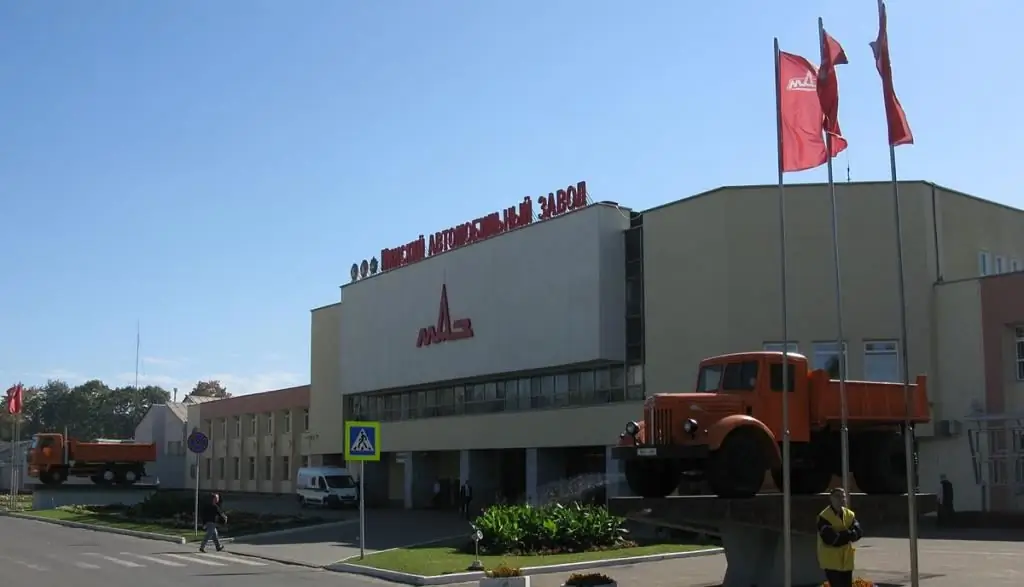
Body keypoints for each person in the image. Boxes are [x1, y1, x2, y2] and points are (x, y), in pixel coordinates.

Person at [816, 488, 862, 587]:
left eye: (843, 496)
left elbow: (858, 532)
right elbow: (831, 539)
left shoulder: (849, 514)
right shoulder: (824, 516)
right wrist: (848, 535)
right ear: (831, 498)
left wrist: (843, 534)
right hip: (831, 561)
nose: (841, 499)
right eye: (837, 496)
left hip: (847, 561)